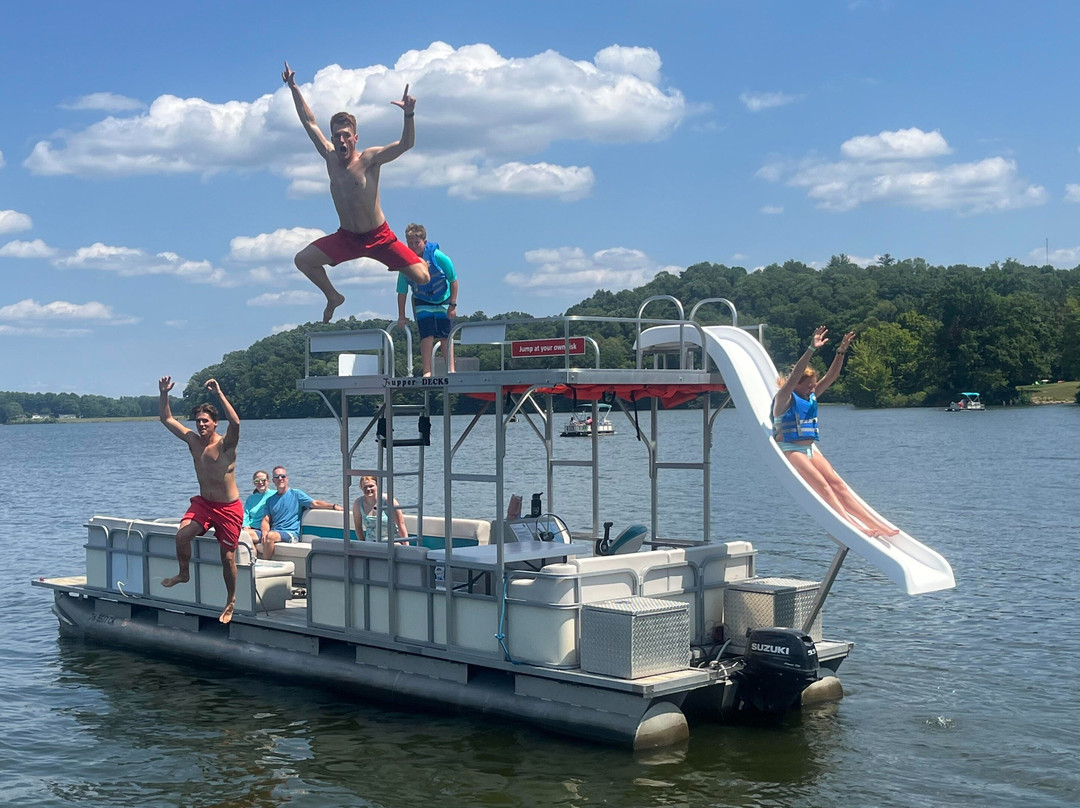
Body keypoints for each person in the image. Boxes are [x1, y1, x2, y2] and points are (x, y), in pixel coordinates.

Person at [281, 61, 430, 323]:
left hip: (379, 237)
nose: (341, 140)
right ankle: (333, 296)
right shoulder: (329, 157)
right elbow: (309, 122)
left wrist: (409, 115)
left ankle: (418, 259)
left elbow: (406, 144)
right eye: (336, 135)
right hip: (347, 237)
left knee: (423, 277)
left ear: (355, 138)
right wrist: (294, 88)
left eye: (346, 135)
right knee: (303, 260)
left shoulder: (369, 159)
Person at [772, 327, 899, 540]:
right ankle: (851, 524)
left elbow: (832, 376)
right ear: (797, 385)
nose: (813, 389)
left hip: (809, 449)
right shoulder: (784, 399)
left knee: (838, 484)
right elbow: (794, 377)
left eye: (814, 386)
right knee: (822, 485)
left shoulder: (811, 396)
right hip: (791, 449)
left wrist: (841, 351)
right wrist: (812, 348)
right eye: (809, 386)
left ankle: (874, 523)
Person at [158, 376, 243, 624]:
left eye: (205, 421)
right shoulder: (193, 441)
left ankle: (231, 599)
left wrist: (219, 393)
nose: (201, 425)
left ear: (215, 423)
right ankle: (183, 574)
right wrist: (164, 393)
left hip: (228, 508)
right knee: (182, 536)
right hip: (205, 504)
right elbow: (166, 419)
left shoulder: (226, 445)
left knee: (228, 557)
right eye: (198, 421)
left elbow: (236, 422)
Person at [398, 223, 459, 377]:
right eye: (410, 243)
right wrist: (401, 316)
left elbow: (453, 280)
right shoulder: (405, 263)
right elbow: (402, 291)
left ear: (424, 242)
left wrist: (453, 305)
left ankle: (450, 369)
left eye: (417, 242)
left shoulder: (438, 256)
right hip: (422, 299)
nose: (413, 246)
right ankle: (427, 370)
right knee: (427, 334)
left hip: (442, 298)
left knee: (445, 335)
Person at [259, 466, 341, 559]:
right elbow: (265, 520)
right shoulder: (270, 500)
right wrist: (264, 532)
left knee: (270, 537)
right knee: (248, 535)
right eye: (277, 477)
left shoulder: (296, 494)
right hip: (275, 532)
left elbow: (315, 503)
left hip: (290, 534)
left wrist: (333, 506)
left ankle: (264, 564)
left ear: (287, 479)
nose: (280, 479)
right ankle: (251, 564)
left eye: (282, 476)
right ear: (273, 480)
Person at [351, 475, 409, 543]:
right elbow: (358, 527)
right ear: (361, 487)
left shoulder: (388, 500)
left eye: (371, 486)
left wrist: (406, 546)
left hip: (391, 543)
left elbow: (401, 524)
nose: (368, 489)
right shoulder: (358, 503)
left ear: (377, 485)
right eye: (365, 487)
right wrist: (363, 545)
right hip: (370, 544)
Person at [239, 470, 273, 561]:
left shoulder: (274, 495)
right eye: (257, 481)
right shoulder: (251, 498)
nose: (260, 483)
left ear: (268, 481)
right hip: (250, 528)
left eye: (263, 480)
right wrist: (245, 525)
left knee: (241, 535)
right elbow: (246, 514)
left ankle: (253, 560)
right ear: (254, 483)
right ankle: (253, 560)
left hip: (263, 530)